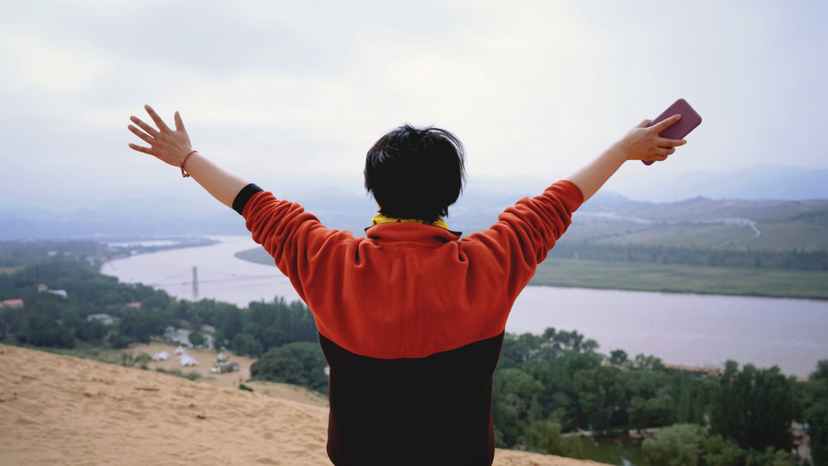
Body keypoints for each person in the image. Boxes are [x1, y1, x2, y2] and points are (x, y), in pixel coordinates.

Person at [128, 105, 686, 465]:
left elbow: (254, 203)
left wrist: (187, 157)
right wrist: (624, 149)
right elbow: (557, 202)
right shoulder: (492, 263)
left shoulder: (327, 262)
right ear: (452, 193)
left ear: (374, 189)